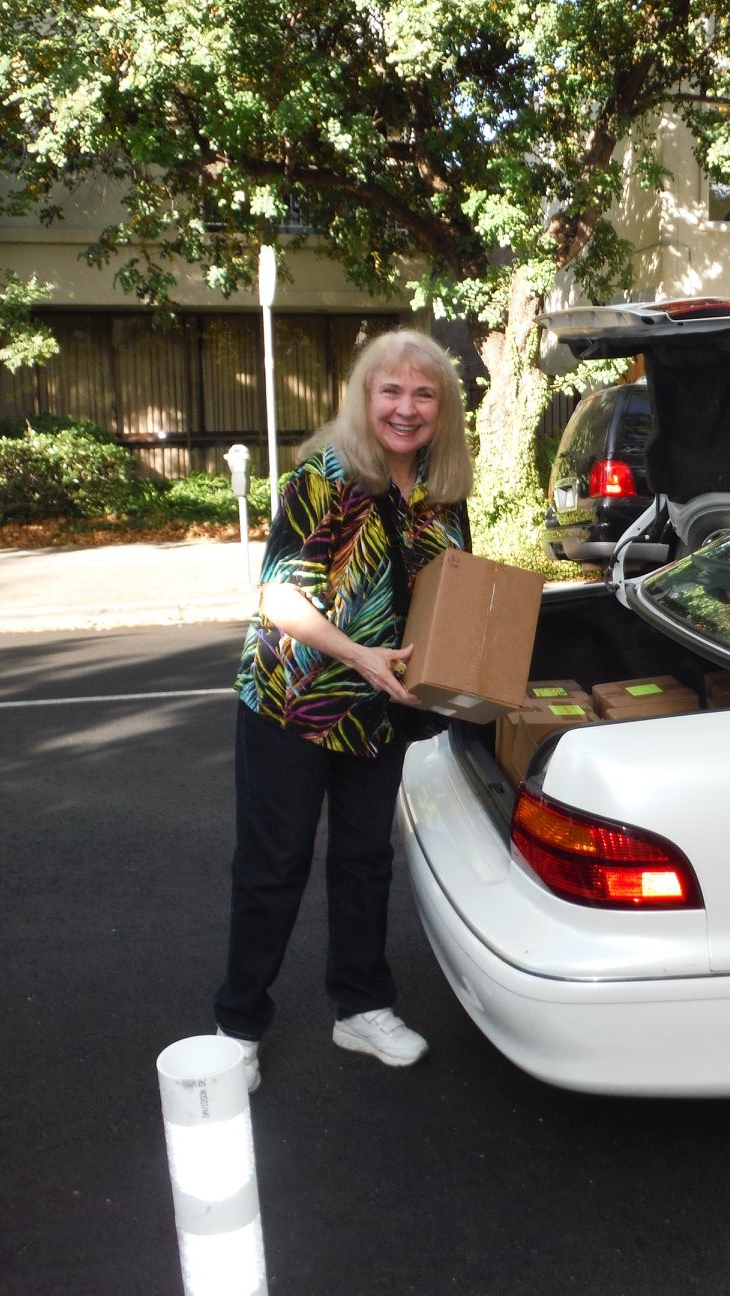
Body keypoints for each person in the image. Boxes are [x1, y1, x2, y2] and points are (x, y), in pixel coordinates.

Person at [212, 328, 473, 1091]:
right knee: (274, 864)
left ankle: (361, 1006)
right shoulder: (324, 477)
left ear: (443, 409)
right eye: (391, 390)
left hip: (379, 711)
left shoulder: (441, 491)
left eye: (424, 394)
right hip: (293, 700)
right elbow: (278, 596)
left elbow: (450, 597)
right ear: (365, 398)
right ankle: (237, 1025)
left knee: (365, 861)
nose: (406, 407)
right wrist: (360, 655)